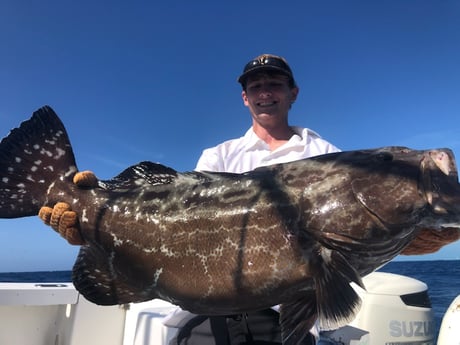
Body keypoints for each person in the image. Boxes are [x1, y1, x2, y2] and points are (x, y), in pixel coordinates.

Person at [38, 54, 339, 344]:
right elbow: (181, 223)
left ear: (293, 93)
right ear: (245, 98)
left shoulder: (325, 155)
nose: (265, 93)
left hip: (280, 319)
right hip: (202, 315)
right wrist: (91, 223)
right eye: (255, 87)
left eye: (274, 83)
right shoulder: (218, 155)